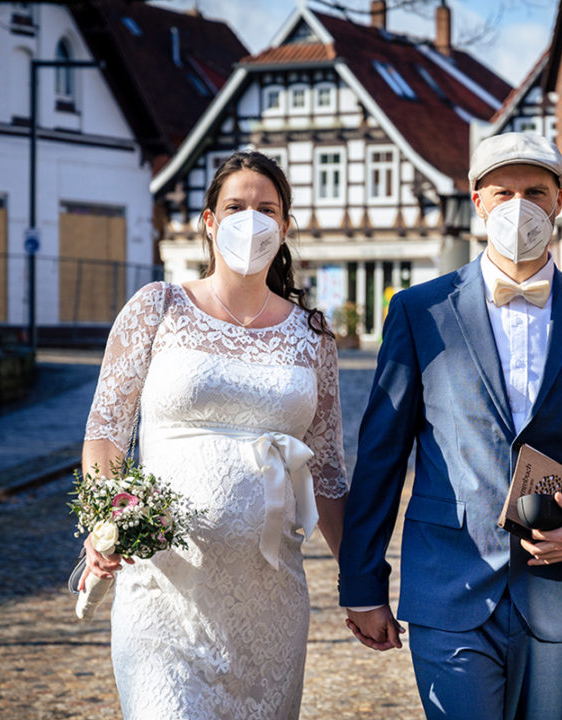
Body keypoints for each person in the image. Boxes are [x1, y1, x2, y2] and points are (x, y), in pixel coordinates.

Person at [337, 132, 562, 719]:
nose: (520, 206)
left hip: (560, 583)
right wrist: (362, 584)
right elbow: (381, 456)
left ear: (560, 200)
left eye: (535, 191)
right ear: (478, 199)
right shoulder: (420, 311)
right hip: (448, 580)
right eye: (503, 191)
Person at [78, 151, 348, 719]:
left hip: (269, 603)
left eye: (266, 209)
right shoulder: (159, 307)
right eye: (235, 206)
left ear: (285, 226)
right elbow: (106, 435)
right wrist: (109, 518)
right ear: (208, 220)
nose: (251, 220)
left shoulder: (313, 336)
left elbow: (326, 473)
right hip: (165, 593)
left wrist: (361, 581)